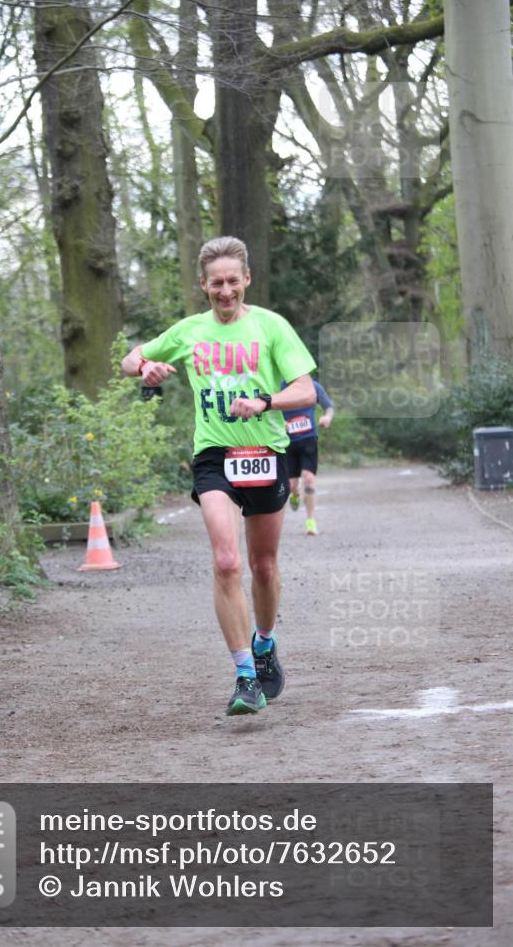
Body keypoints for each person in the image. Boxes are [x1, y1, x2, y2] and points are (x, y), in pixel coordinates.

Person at [121, 236, 316, 716]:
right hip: (213, 455)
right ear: (203, 285)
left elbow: (306, 390)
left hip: (266, 451)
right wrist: (146, 367)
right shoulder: (189, 331)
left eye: (233, 281)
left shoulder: (271, 327)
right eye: (216, 284)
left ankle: (265, 643)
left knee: (263, 566)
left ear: (246, 279)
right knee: (227, 562)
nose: (225, 291)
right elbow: (130, 360)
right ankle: (245, 675)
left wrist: (265, 402)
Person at [284, 379, 334, 536]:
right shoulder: (279, 385)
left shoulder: (312, 385)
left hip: (308, 439)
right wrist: (279, 423)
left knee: (309, 479)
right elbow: (267, 409)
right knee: (291, 485)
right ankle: (295, 493)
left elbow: (329, 407)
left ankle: (311, 522)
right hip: (287, 442)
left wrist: (327, 417)